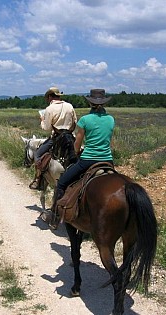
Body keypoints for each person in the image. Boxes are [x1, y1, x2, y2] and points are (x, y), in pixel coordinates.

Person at [41, 89, 115, 227]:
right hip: (108, 160)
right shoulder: (111, 119)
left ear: (90, 103)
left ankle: (55, 217)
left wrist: (76, 152)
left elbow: (77, 144)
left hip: (88, 160)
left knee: (62, 183)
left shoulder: (85, 120)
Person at [29, 86, 77, 190]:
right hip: (70, 137)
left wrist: (42, 120)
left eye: (47, 97)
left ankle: (38, 179)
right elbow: (75, 122)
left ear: (50, 96)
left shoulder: (49, 109)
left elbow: (46, 128)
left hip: (56, 138)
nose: (47, 99)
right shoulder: (69, 106)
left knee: (37, 154)